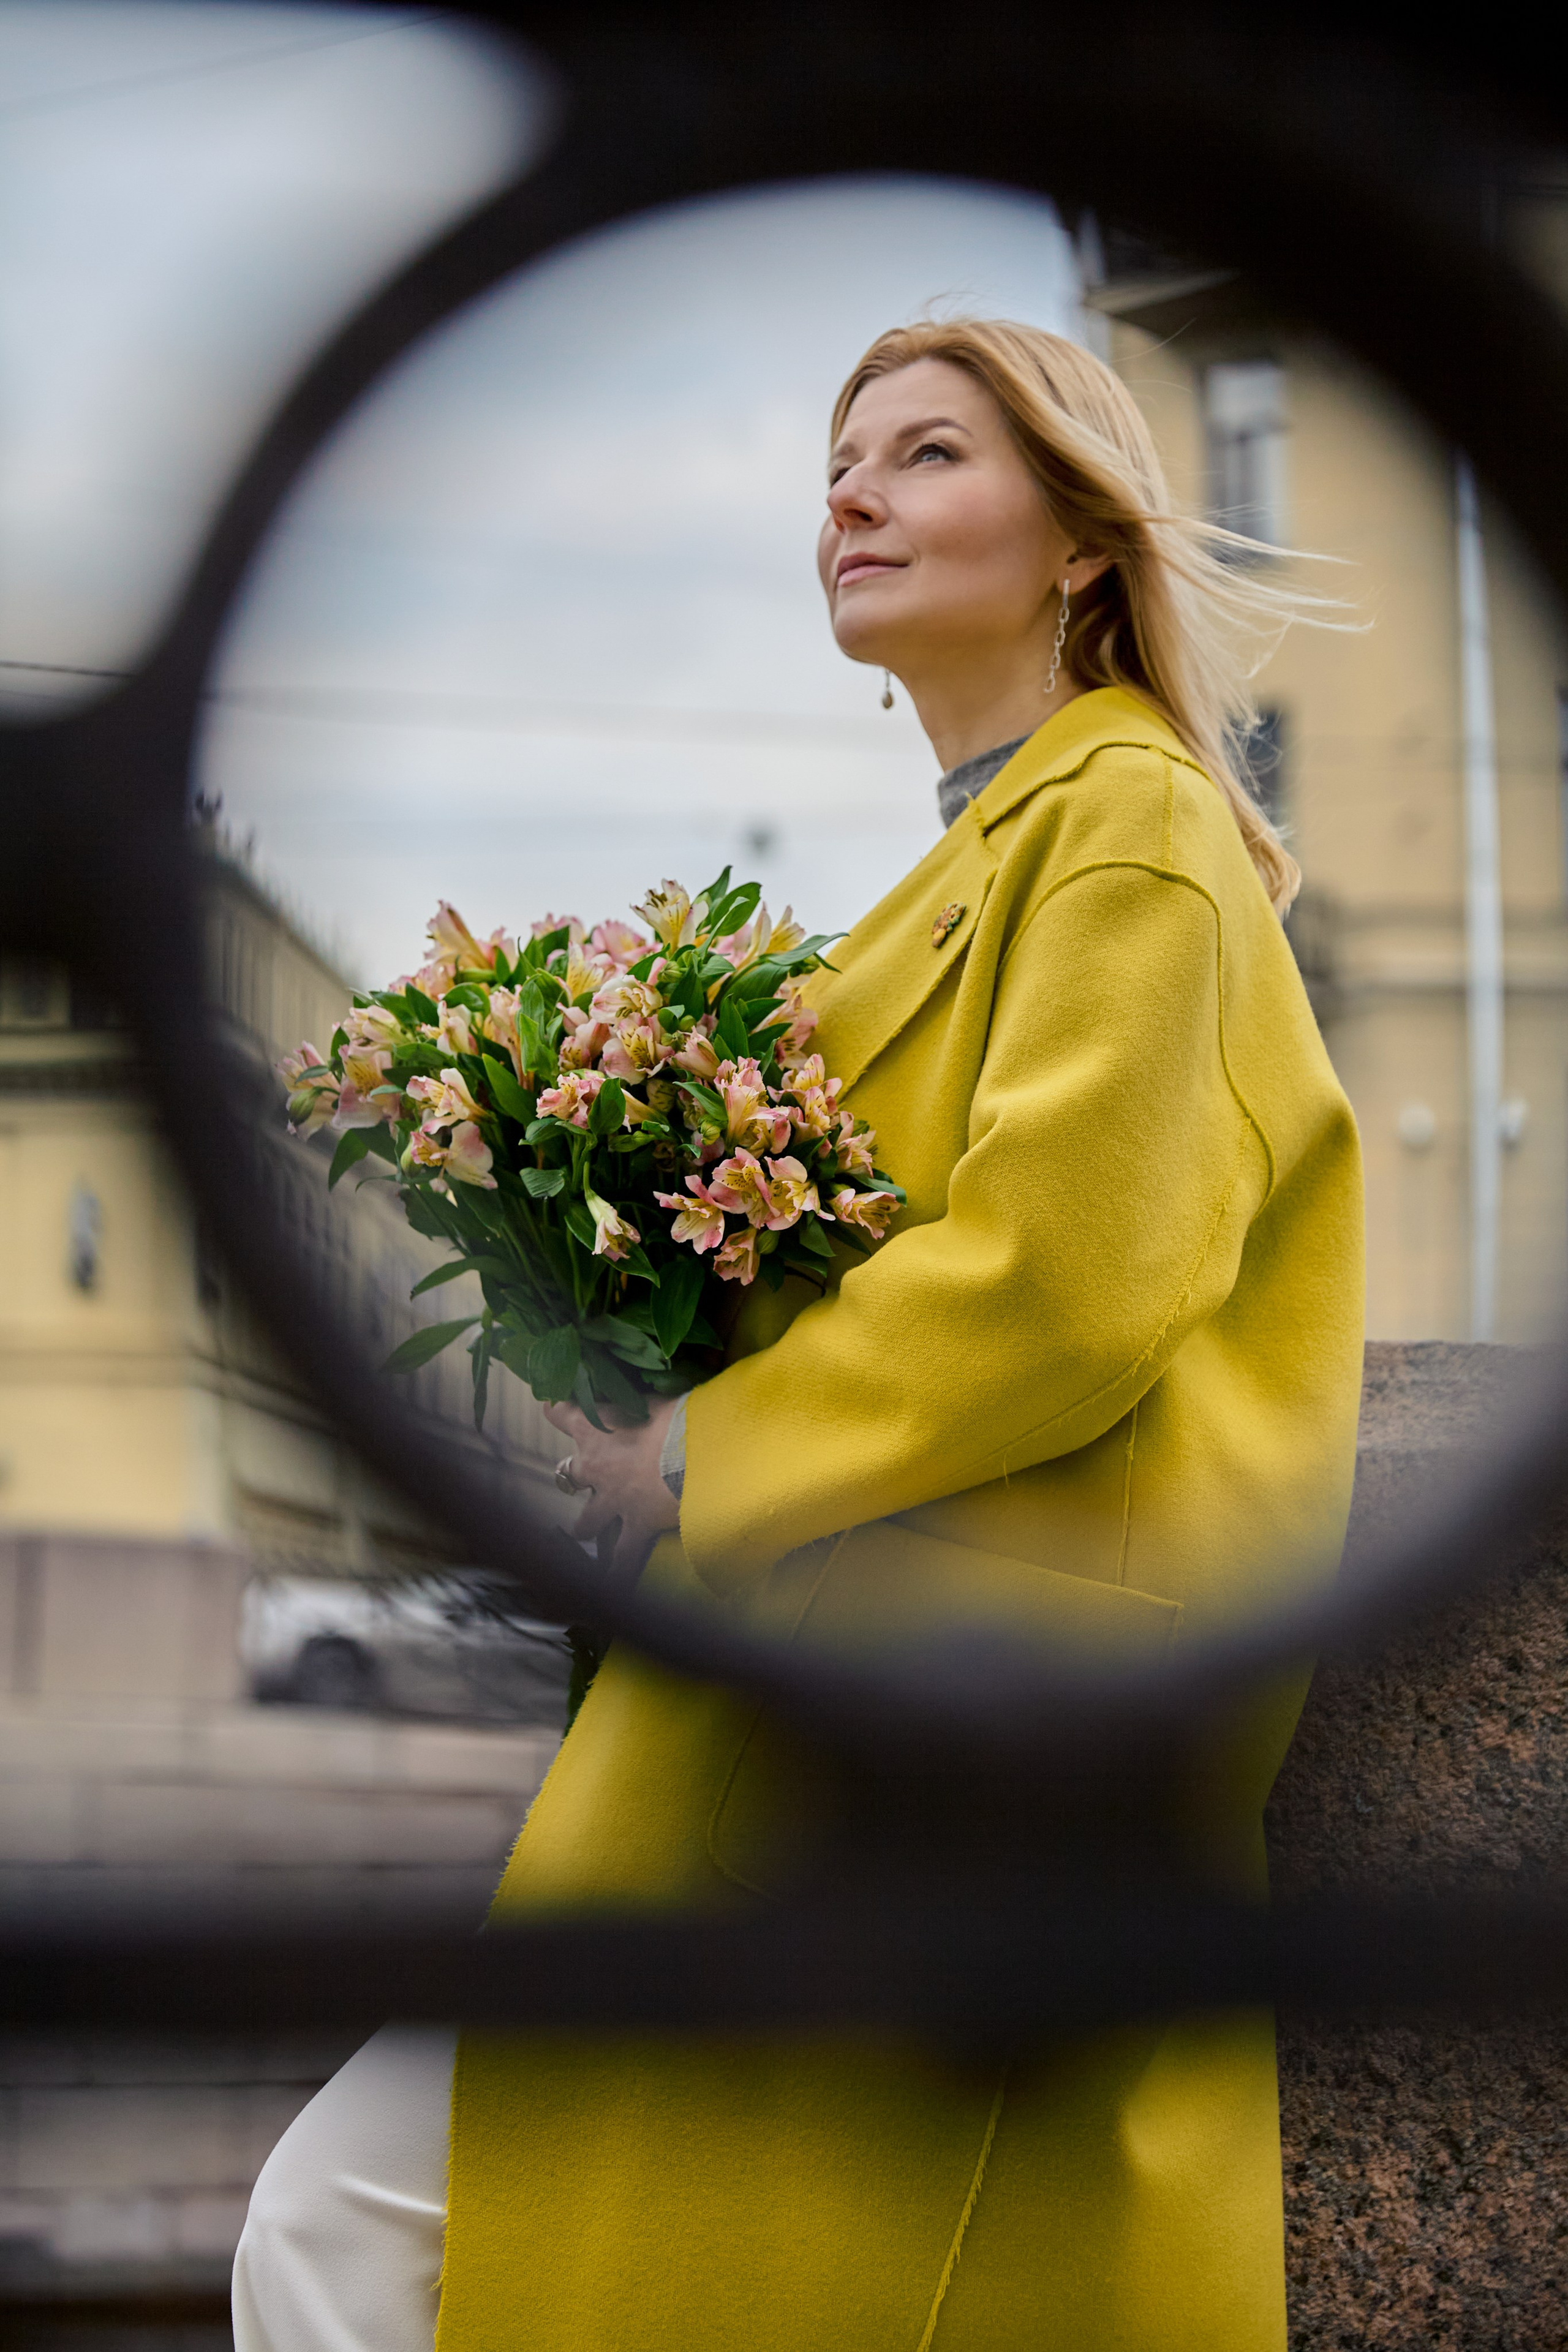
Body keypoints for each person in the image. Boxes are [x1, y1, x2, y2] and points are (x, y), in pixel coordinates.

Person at [233, 317, 1363, 2352]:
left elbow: (1070, 1277)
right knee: (393, 2222)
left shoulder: (1134, 828)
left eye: (925, 454)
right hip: (857, 1696)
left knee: (360, 2219)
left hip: (938, 1716)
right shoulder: (999, 854)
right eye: (842, 463)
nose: (848, 496)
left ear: (1082, 542)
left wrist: (690, 1456)